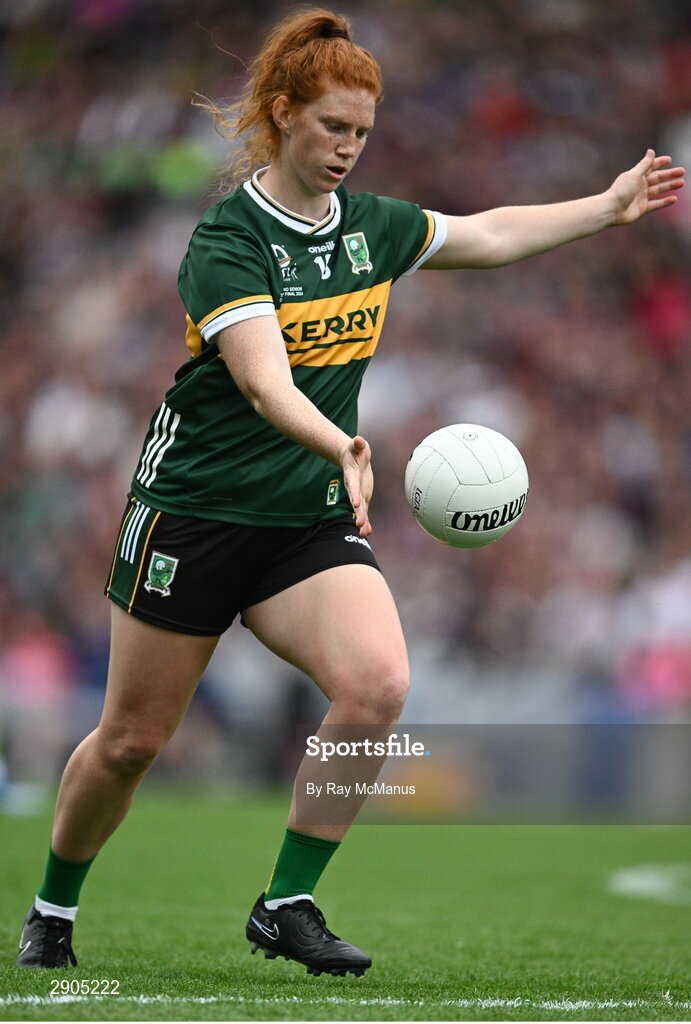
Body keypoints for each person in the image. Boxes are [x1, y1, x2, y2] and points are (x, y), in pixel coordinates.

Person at [15, 6, 684, 976]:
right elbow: (260, 377)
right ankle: (51, 908)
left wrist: (604, 203)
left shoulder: (370, 229)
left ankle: (287, 900)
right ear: (283, 114)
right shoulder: (228, 240)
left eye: (362, 133)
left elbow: (488, 233)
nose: (348, 149)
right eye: (332, 127)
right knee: (129, 741)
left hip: (304, 519)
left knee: (375, 687)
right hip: (194, 513)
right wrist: (344, 441)